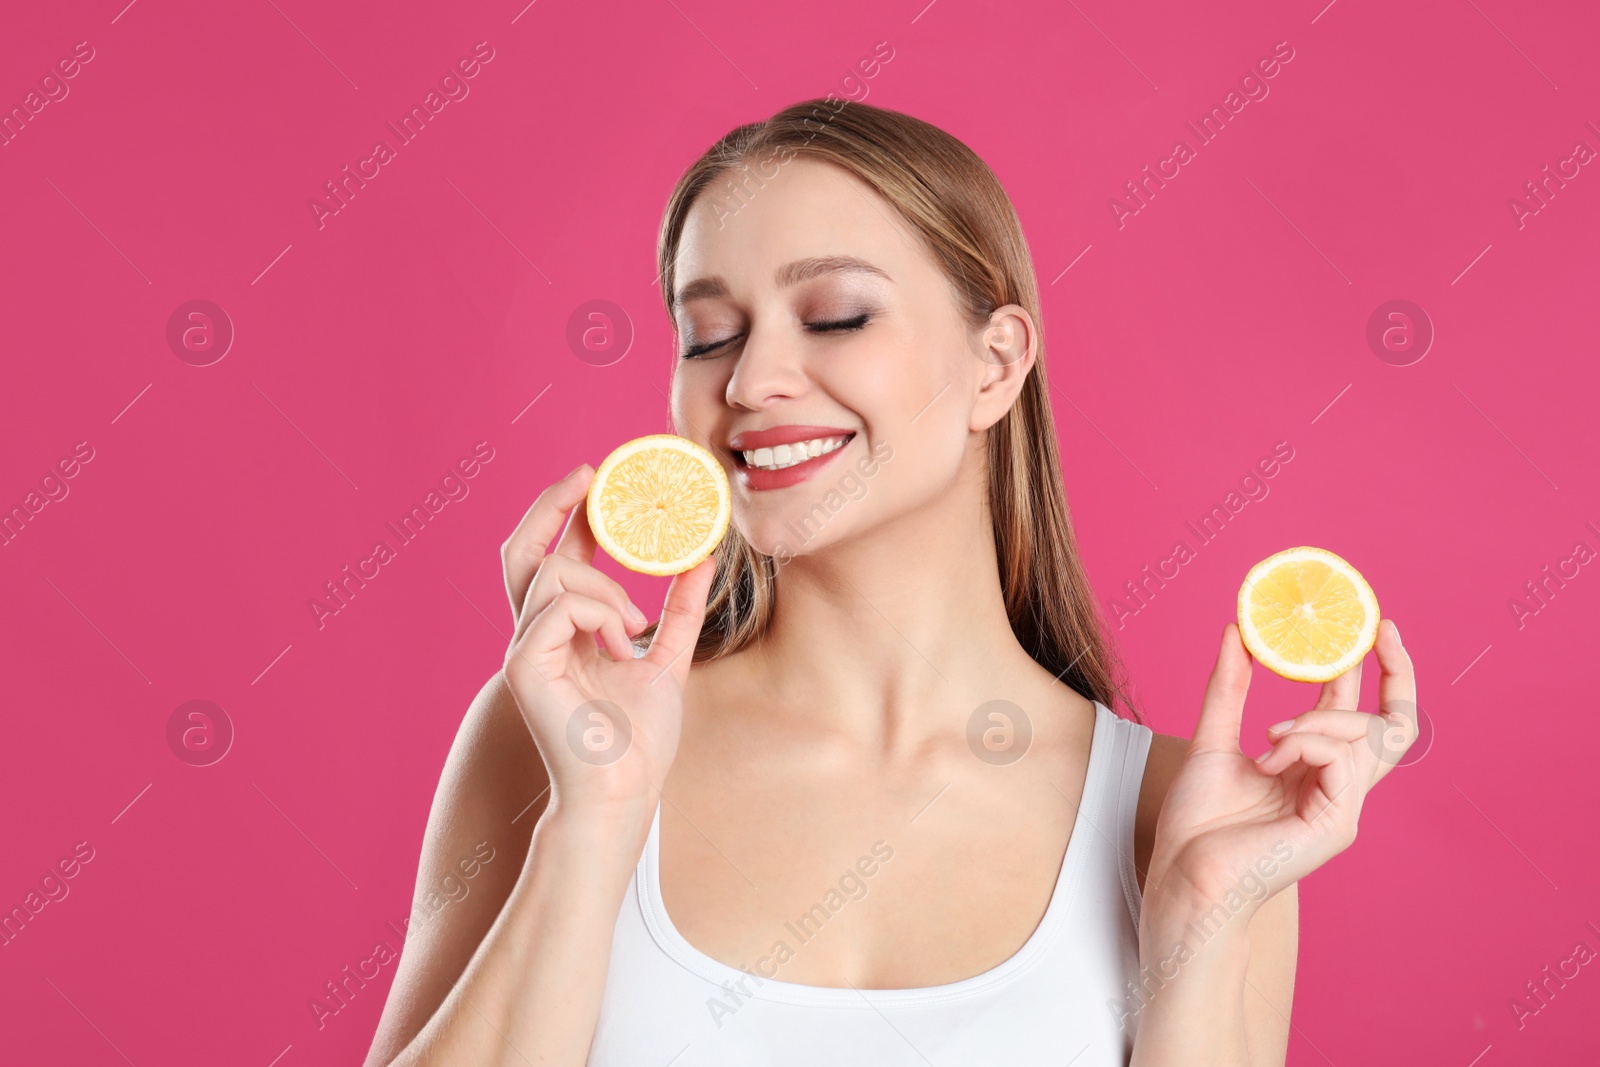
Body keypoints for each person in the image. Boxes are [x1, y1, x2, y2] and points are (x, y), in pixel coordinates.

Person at [363, 98, 1418, 1066]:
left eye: (834, 316)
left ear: (996, 364)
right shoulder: (559, 731)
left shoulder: (1186, 820)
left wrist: (1201, 908)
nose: (750, 380)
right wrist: (591, 818)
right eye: (709, 334)